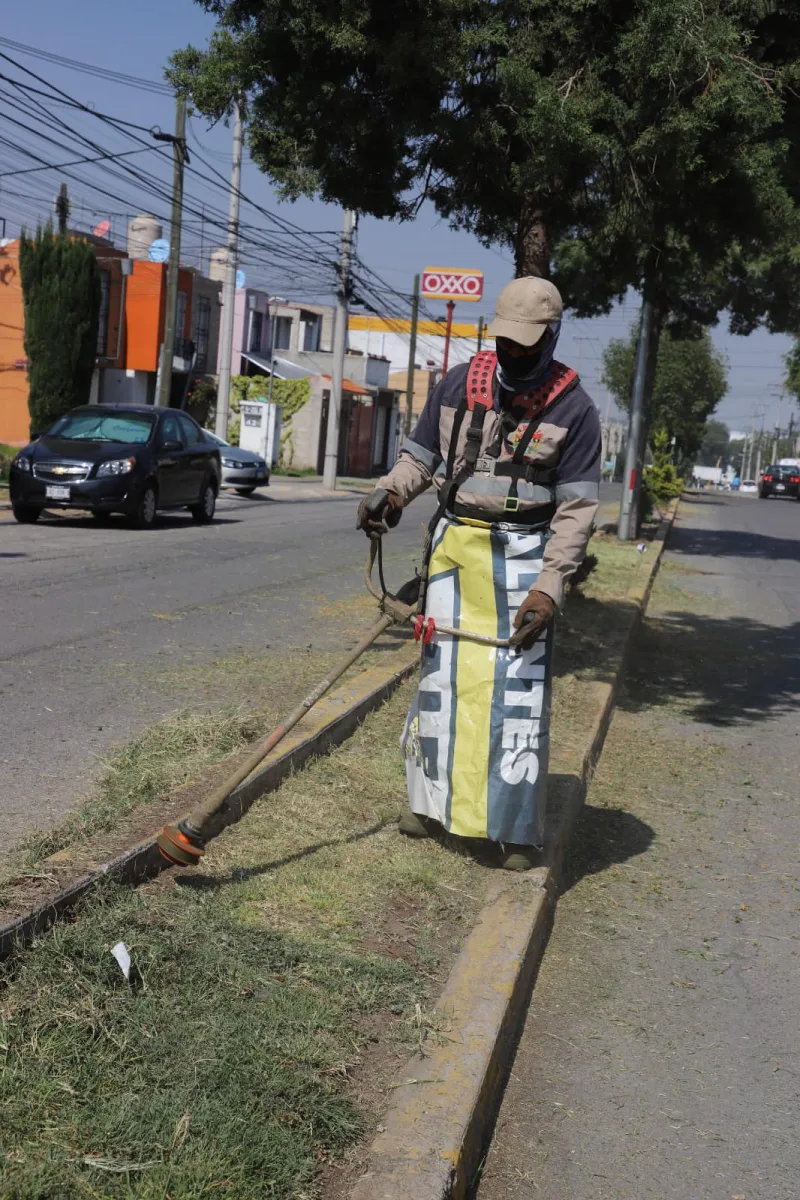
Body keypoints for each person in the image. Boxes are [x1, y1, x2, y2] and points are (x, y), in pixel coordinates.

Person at [357, 277, 601, 871]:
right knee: (442, 682)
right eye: (507, 343)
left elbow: (576, 512)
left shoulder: (575, 409)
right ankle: (428, 804)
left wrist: (550, 586)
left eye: (528, 345)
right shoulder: (456, 385)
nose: (515, 355)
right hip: (454, 555)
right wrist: (392, 495)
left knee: (515, 690)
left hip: (525, 560)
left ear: (552, 336)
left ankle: (513, 827)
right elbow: (420, 458)